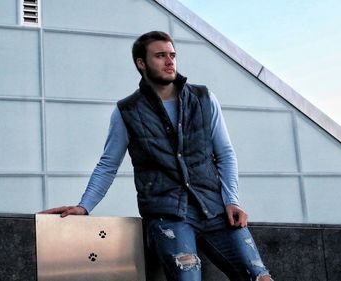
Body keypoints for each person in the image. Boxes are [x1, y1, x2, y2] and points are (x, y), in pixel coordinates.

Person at [41, 31, 272, 281]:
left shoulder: (204, 98)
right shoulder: (127, 111)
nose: (170, 61)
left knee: (259, 277)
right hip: (168, 217)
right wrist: (84, 206)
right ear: (141, 63)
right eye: (160, 56)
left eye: (172, 55)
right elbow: (108, 165)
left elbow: (225, 154)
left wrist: (232, 200)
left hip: (215, 209)